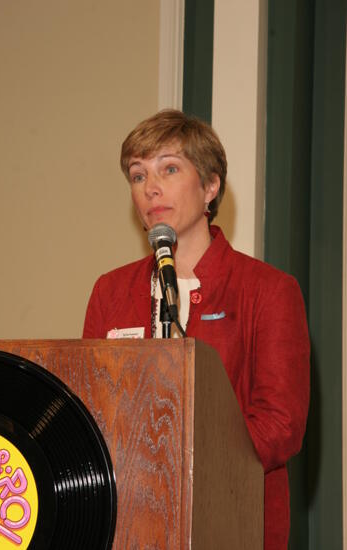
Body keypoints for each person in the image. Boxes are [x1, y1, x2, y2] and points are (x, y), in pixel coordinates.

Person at [83, 109, 310, 549]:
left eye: (169, 168)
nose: (150, 187)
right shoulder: (110, 291)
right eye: (137, 175)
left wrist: (182, 467)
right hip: (130, 523)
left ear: (210, 186)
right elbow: (94, 408)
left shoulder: (268, 290)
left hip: (233, 520)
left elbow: (280, 424)